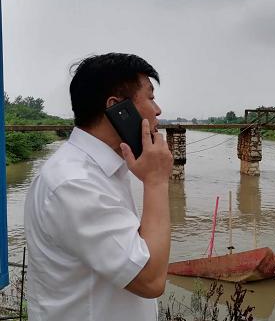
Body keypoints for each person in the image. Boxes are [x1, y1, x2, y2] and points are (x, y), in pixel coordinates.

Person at [24, 53, 173, 321]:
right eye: (150, 97)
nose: (158, 110)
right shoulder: (75, 183)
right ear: (119, 108)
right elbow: (150, 279)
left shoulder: (104, 170)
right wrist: (157, 182)